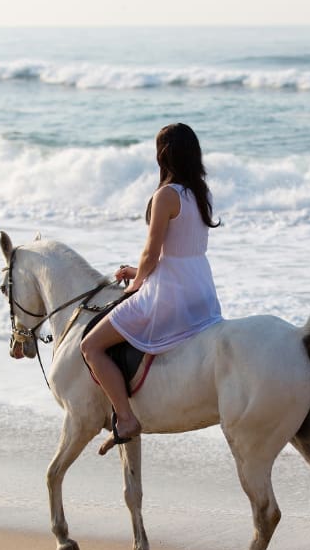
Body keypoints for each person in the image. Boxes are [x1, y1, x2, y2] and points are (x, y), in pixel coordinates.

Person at [81, 123, 223, 455]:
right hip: (200, 290)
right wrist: (136, 271)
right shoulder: (201, 192)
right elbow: (179, 250)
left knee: (91, 346)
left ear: (163, 155)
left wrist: (137, 283)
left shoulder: (166, 195)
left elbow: (152, 252)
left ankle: (127, 418)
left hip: (169, 294)